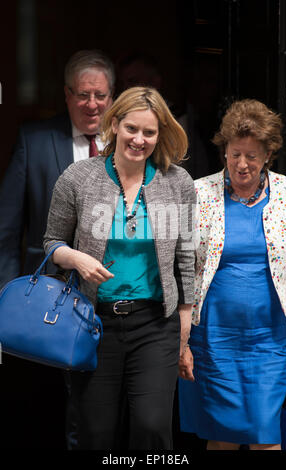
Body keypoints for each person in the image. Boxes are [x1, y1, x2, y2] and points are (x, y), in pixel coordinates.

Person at [43, 86, 196, 450]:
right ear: (114, 125)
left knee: (152, 427)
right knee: (96, 433)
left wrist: (185, 322)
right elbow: (51, 244)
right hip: (91, 322)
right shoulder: (78, 178)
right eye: (132, 128)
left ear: (160, 135)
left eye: (149, 132)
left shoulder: (178, 183)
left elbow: (188, 257)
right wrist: (76, 257)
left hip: (155, 324)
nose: (139, 139)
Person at [0, 49, 115, 449]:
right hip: (45, 302)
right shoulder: (34, 140)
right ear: (67, 95)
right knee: (49, 410)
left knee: (102, 412)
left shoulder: (129, 144)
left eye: (100, 95)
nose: (92, 105)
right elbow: (7, 228)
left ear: (113, 98)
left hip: (111, 298)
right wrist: (7, 298)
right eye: (83, 95)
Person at [178, 99, 286, 450]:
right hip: (213, 339)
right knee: (221, 436)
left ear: (269, 154)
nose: (242, 164)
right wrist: (181, 341)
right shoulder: (198, 193)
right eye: (234, 154)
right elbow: (179, 269)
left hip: (270, 340)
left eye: (252, 156)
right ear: (223, 150)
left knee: (265, 434)